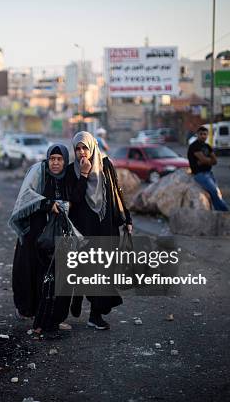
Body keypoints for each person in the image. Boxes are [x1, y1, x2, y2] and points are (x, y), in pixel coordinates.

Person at [65, 131, 133, 330]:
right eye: (77, 149)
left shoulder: (106, 165)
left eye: (84, 147)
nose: (81, 152)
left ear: (92, 147)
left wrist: (126, 217)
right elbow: (74, 200)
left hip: (106, 226)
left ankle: (94, 316)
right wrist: (84, 175)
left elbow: (117, 191)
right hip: (84, 230)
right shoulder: (71, 171)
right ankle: (78, 294)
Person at [8, 144, 72, 334]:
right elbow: (26, 195)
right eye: (52, 159)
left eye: (60, 159)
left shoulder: (67, 177)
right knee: (29, 272)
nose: (55, 163)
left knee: (54, 275)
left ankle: (51, 316)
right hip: (33, 232)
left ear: (65, 161)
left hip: (57, 234)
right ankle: (29, 310)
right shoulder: (39, 171)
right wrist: (47, 204)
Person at [187, 126, 229, 211]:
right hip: (199, 174)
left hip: (209, 173)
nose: (203, 136)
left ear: (207, 135)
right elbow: (205, 159)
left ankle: (219, 213)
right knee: (214, 192)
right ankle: (226, 212)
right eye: (201, 134)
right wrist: (207, 160)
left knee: (215, 194)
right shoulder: (194, 146)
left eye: (205, 134)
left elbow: (215, 161)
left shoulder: (207, 146)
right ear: (197, 134)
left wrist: (205, 161)